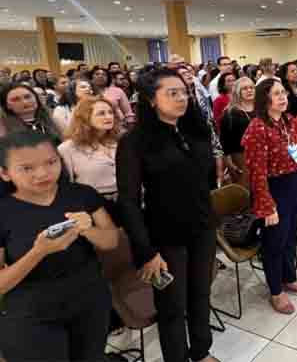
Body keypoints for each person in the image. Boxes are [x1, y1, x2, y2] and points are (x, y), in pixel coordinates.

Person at [116, 68, 219, 362]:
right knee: (172, 307)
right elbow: (129, 202)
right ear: (150, 99)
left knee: (200, 296)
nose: (181, 98)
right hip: (165, 236)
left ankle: (201, 352)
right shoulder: (134, 142)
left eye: (183, 91)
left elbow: (205, 181)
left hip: (202, 227)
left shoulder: (194, 130)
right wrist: (146, 251)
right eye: (171, 93)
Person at [0, 130, 118, 362]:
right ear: (5, 173)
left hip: (90, 301)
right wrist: (39, 252)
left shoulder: (81, 194)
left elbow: (111, 241)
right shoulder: (3, 212)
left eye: (51, 162)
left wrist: (87, 230)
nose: (42, 173)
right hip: (32, 314)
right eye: (27, 168)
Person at [242, 79, 297, 314]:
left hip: (294, 185)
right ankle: (276, 290)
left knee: (291, 237)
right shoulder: (257, 128)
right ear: (265, 99)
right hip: (274, 190)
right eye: (276, 94)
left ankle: (289, 278)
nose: (283, 97)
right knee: (274, 243)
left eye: (283, 92)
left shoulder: (288, 121)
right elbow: (256, 173)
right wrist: (267, 206)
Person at [58, 97, 122, 223]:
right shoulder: (68, 148)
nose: (109, 117)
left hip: (125, 203)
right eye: (101, 113)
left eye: (111, 112)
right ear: (85, 118)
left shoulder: (119, 142)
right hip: (92, 208)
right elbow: (66, 187)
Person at [220, 77, 256, 188]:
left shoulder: (262, 108)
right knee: (246, 193)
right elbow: (224, 142)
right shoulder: (230, 113)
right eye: (245, 88)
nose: (249, 90)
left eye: (251, 87)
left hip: (262, 155)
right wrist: (229, 163)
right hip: (241, 158)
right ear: (237, 92)